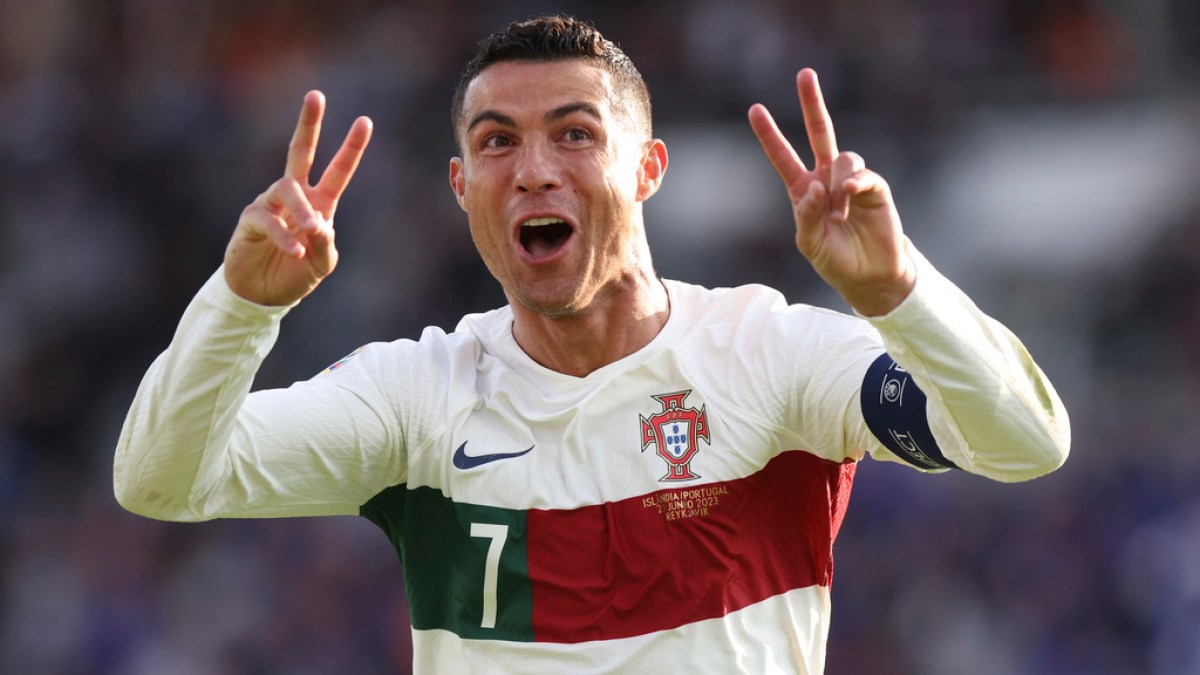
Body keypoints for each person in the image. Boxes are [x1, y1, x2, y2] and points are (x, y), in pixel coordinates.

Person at [114, 15, 1070, 675]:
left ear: (647, 168)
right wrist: (240, 304)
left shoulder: (770, 356)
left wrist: (898, 293)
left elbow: (1027, 440)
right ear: (461, 186)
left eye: (575, 134)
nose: (534, 170)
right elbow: (159, 481)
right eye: (497, 143)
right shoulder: (416, 395)